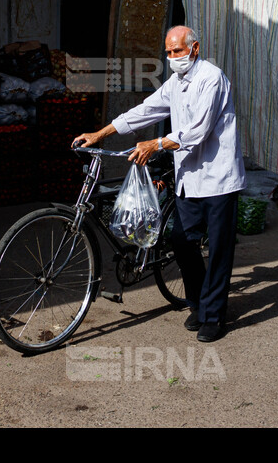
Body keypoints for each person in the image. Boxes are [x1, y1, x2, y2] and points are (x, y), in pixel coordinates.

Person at [72, 25, 244, 343]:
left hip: (219, 177)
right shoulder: (175, 83)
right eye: (168, 52)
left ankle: (213, 315)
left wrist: (156, 144)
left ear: (194, 48)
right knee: (181, 240)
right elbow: (145, 110)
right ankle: (198, 303)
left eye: (177, 50)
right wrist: (101, 133)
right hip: (189, 178)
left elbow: (198, 131)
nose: (172, 57)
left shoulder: (211, 78)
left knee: (219, 249)